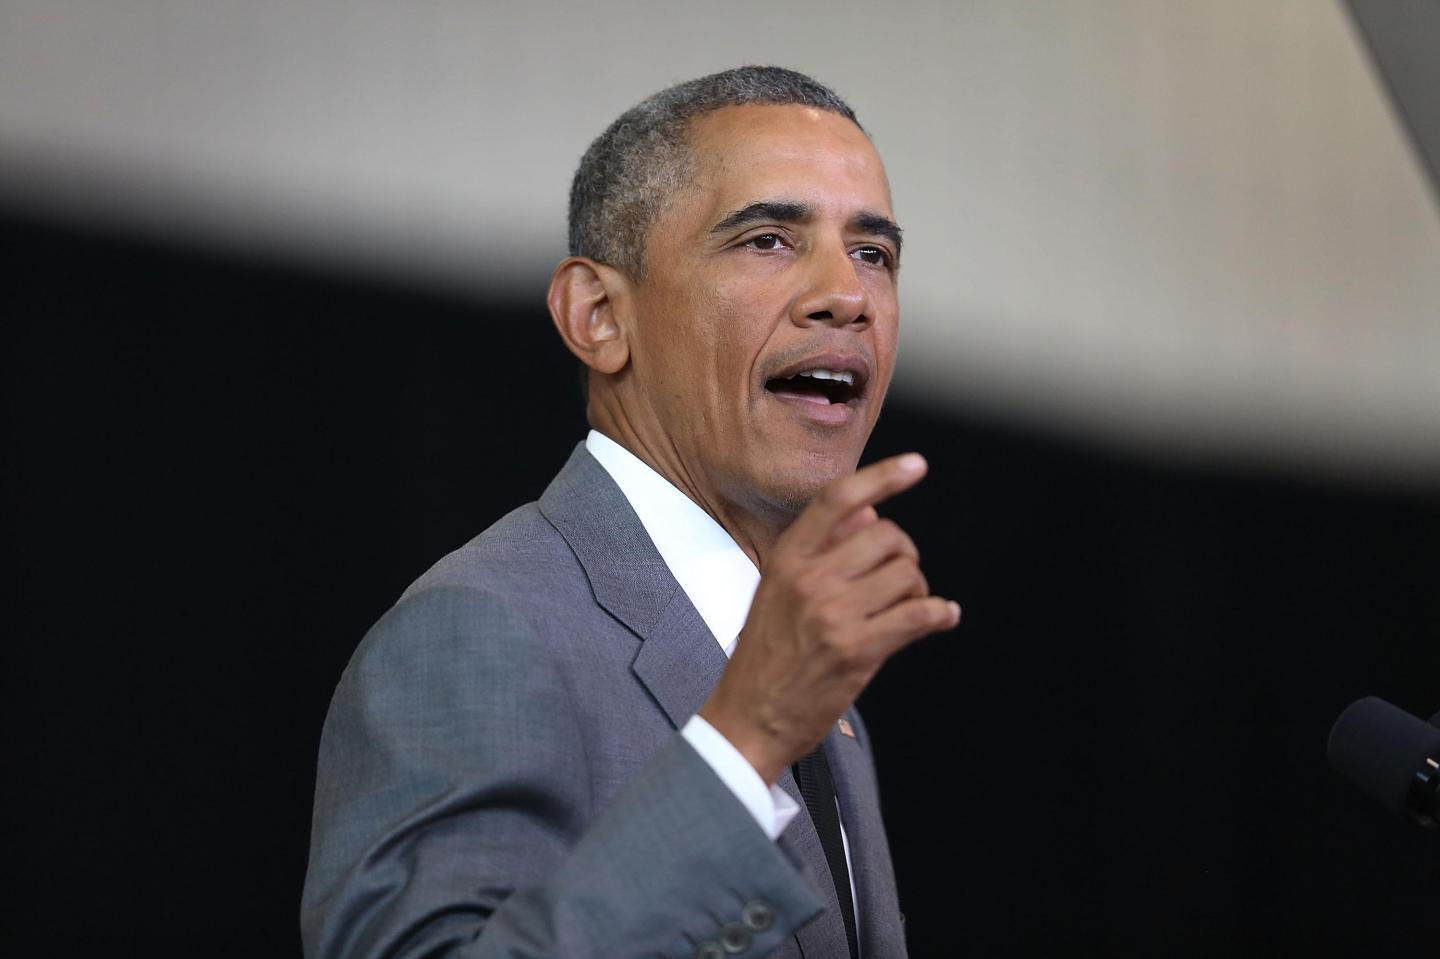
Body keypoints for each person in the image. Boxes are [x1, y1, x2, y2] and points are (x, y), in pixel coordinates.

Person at [301, 65, 960, 959]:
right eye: (768, 240)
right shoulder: (481, 632)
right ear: (598, 313)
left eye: (873, 252)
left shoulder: (818, 700)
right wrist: (745, 742)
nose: (846, 294)